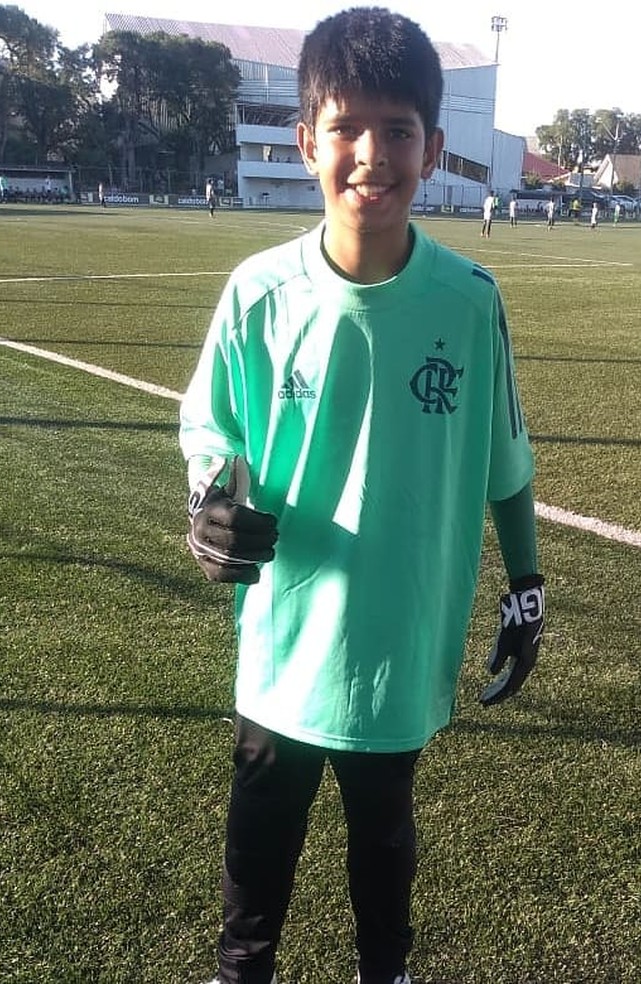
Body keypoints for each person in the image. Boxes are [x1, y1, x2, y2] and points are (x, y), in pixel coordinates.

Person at [179, 9, 543, 984]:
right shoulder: (258, 294)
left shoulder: (470, 301)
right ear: (306, 142)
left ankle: (386, 971)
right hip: (285, 641)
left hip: (399, 640)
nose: (370, 155)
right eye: (345, 128)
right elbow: (212, 431)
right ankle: (240, 969)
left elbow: (508, 456)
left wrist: (529, 585)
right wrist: (208, 505)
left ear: (433, 145)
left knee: (383, 838)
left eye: (398, 130)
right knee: (260, 837)